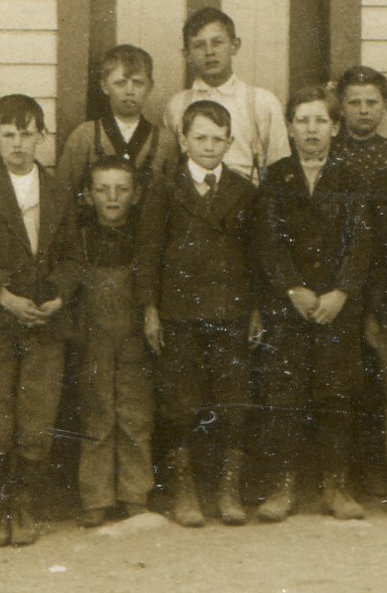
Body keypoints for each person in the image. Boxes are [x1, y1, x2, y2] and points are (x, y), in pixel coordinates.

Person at [0, 94, 83, 546]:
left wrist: (59, 296)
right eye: (8, 134)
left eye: (27, 134)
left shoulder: (58, 190)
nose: (17, 144)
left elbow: (73, 257)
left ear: (41, 136)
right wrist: (4, 296)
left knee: (36, 419)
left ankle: (24, 504)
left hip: (45, 324)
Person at [137, 101, 261, 527]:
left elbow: (256, 256)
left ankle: (228, 489)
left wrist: (256, 309)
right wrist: (151, 309)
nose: (209, 146)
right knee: (180, 399)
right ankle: (184, 489)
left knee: (233, 397)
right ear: (184, 141)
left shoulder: (244, 191)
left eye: (217, 139)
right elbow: (149, 251)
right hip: (179, 312)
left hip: (231, 310)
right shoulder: (164, 188)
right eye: (200, 137)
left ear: (229, 142)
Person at [254, 86, 370, 522]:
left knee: (335, 394)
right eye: (302, 121)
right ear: (289, 127)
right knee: (283, 393)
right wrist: (292, 288)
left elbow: (361, 243)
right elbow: (267, 241)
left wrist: (341, 292)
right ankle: (280, 487)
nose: (311, 130)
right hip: (289, 306)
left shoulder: (351, 179)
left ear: (335, 128)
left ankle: (336, 487)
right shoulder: (276, 177)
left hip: (337, 307)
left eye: (320, 120)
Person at [76, 157, 154, 528]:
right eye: (103, 190)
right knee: (97, 409)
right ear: (88, 195)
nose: (112, 197)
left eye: (121, 190)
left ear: (135, 195)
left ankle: (135, 493)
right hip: (93, 334)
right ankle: (96, 496)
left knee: (134, 411)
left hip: (133, 331)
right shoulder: (79, 236)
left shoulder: (144, 235)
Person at [333, 66, 387, 495]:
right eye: (355, 102)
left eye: (372, 102)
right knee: (342, 378)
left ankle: (377, 473)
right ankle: (340, 475)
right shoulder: (329, 154)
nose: (363, 111)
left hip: (382, 280)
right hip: (339, 283)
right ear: (341, 106)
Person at [164, 7, 290, 184]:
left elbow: (279, 166)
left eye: (217, 43)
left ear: (234, 46)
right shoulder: (177, 105)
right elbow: (171, 166)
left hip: (248, 196)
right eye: (199, 45)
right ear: (187, 54)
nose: (209, 52)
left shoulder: (262, 102)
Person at [56, 44, 178, 203]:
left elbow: (173, 199)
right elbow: (63, 196)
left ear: (149, 87)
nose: (129, 91)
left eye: (138, 83)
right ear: (105, 86)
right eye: (120, 83)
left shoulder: (165, 141)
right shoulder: (85, 135)